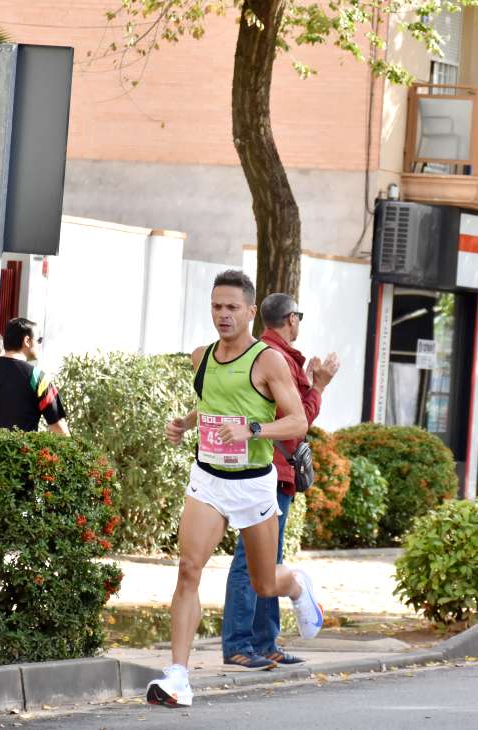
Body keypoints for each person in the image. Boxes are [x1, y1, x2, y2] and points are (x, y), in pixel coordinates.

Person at [148, 270, 323, 708]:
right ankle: (178, 677)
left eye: (231, 308)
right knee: (189, 569)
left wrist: (251, 429)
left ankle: (297, 586)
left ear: (249, 311)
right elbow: (211, 406)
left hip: (253, 484)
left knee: (265, 584)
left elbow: (298, 422)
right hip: (208, 479)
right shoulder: (201, 357)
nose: (222, 315)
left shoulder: (268, 360)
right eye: (215, 306)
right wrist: (184, 423)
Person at [221, 293, 339, 670]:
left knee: (267, 560)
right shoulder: (277, 359)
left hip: (261, 469)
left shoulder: (259, 354)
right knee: (251, 561)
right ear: (291, 319)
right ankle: (241, 644)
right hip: (267, 472)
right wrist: (318, 386)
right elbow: (296, 422)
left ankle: (264, 642)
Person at [0, 317, 69, 435]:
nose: (40, 344)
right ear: (27, 341)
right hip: (20, 452)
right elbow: (59, 426)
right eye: (39, 340)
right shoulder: (38, 377)